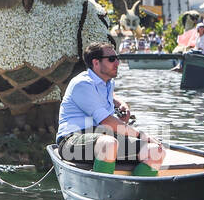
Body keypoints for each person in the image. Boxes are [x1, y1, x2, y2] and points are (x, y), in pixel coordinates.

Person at [56, 42, 165, 176]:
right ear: (96, 63)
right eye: (112, 59)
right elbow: (106, 121)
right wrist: (141, 135)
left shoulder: (108, 82)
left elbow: (110, 95)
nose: (117, 63)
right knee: (109, 144)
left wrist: (120, 103)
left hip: (102, 136)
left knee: (156, 151)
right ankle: (100, 193)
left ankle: (134, 193)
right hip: (72, 140)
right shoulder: (82, 84)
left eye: (117, 58)